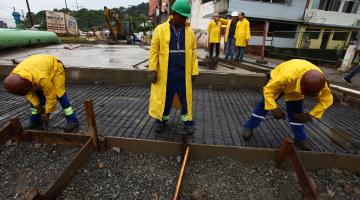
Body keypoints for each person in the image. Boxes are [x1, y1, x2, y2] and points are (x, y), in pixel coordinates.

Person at [241, 59, 333, 151]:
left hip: (296, 86)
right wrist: (274, 108)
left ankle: (300, 139)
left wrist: (310, 115)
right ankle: (249, 127)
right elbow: (268, 90)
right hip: (279, 83)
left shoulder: (321, 84)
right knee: (263, 105)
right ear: (302, 86)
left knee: (296, 113)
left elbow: (327, 100)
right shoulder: (285, 77)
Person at [148, 0, 199, 135]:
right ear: (173, 14)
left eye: (184, 17)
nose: (183, 20)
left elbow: (193, 53)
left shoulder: (190, 33)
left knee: (185, 99)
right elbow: (154, 51)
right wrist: (153, 69)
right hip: (166, 74)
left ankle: (188, 122)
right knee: (165, 98)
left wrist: (194, 71)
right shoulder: (160, 30)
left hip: (183, 74)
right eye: (180, 16)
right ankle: (161, 121)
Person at [3, 54, 79, 132]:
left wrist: (47, 113)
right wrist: (37, 106)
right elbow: (29, 93)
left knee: (59, 94)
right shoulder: (17, 76)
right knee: (37, 98)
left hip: (55, 67)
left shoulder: (42, 78)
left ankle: (72, 121)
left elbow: (51, 96)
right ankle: (35, 120)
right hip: (38, 69)